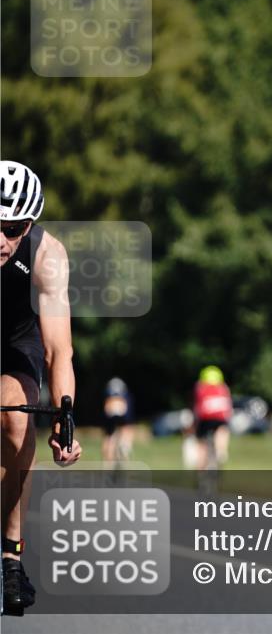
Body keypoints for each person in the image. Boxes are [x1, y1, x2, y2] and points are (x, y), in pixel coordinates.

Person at [1, 160, 82, 611]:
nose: (0, 238)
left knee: (15, 421)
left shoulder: (47, 256)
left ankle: (11, 555)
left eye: (12, 227)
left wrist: (64, 416)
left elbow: (59, 351)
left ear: (28, 223)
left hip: (17, 342)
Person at [192, 366, 233, 470]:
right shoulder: (224, 388)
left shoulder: (200, 387)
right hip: (220, 418)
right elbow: (228, 408)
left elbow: (197, 407)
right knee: (223, 430)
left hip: (205, 418)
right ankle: (221, 450)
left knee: (201, 443)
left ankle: (200, 468)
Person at [101, 377, 135, 464]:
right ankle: (124, 451)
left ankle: (109, 464)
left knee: (109, 438)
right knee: (125, 432)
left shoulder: (108, 395)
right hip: (122, 412)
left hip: (111, 413)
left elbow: (107, 408)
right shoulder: (125, 396)